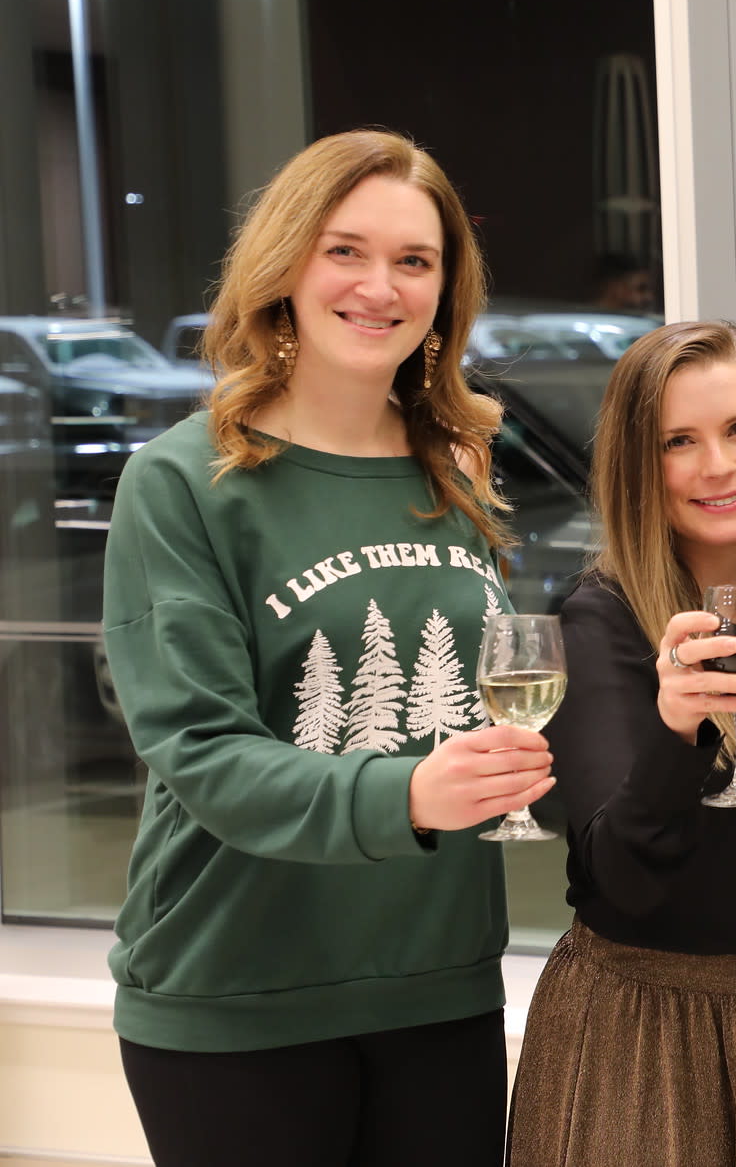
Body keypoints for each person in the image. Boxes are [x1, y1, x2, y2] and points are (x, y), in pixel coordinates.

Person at [101, 130, 555, 1167]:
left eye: (413, 260)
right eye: (345, 250)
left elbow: (492, 702)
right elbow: (204, 754)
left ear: (444, 290)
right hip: (237, 997)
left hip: (439, 984)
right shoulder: (183, 481)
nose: (378, 287)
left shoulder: (455, 472)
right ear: (284, 265)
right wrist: (409, 796)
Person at [506, 321, 736, 1166]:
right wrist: (676, 730)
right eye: (680, 441)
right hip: (644, 1038)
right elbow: (618, 873)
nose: (719, 465)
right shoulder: (601, 618)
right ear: (638, 467)